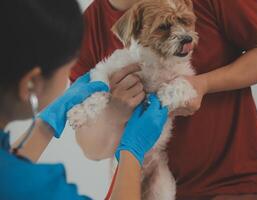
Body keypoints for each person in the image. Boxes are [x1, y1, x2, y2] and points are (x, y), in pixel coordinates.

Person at [70, 0, 257, 199]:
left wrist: (204, 84)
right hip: (140, 185)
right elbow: (92, 149)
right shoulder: (89, 24)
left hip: (233, 184)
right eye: (164, 27)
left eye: (186, 22)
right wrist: (114, 114)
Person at [0, 0, 168, 199]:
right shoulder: (43, 191)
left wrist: (45, 125)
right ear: (31, 84)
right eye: (68, 69)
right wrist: (132, 152)